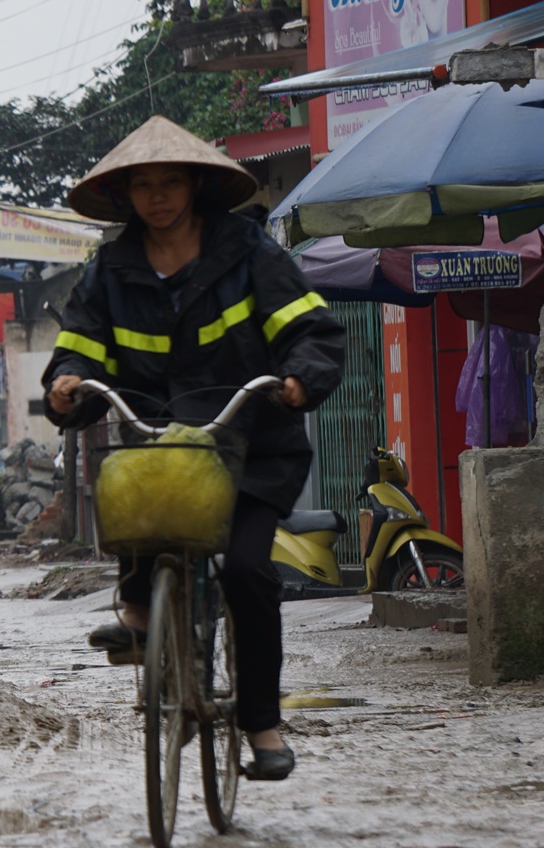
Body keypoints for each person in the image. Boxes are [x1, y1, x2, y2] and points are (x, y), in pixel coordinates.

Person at [41, 116, 347, 781]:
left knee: (246, 573)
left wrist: (300, 378)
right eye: (144, 186)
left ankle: (261, 722)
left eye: (170, 182)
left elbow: (312, 329)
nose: (158, 197)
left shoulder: (249, 252)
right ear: (126, 196)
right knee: (130, 496)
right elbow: (82, 346)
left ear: (195, 185)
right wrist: (66, 386)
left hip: (250, 443)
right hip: (160, 444)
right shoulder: (110, 270)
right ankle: (141, 614)